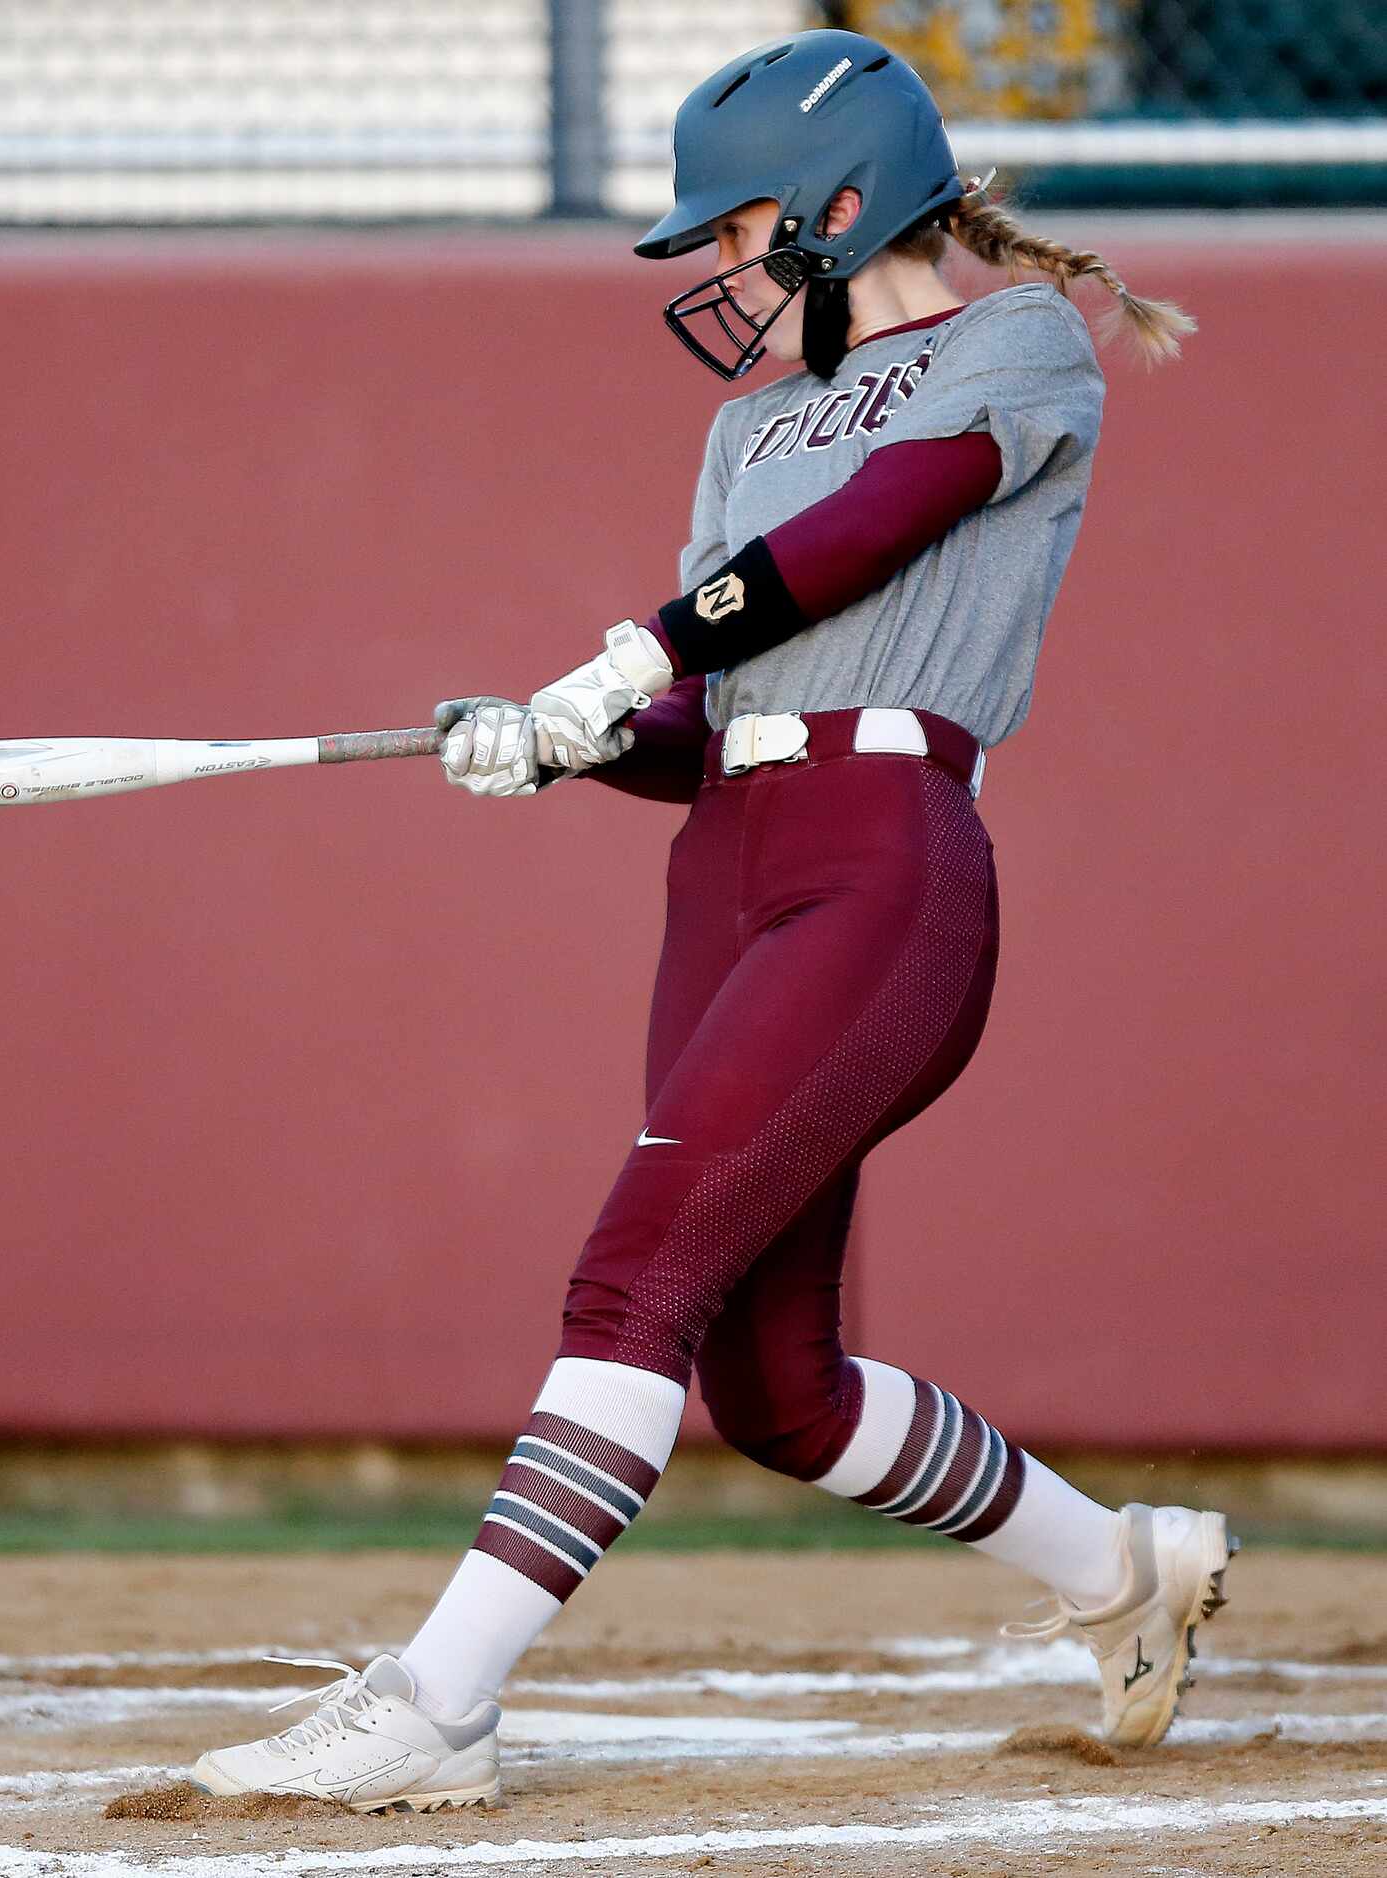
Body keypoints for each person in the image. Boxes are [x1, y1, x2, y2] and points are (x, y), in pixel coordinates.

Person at [190, 29, 1232, 1814]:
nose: (722, 272)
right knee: (774, 1382)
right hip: (734, 866)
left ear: (845, 204)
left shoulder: (1017, 345)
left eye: (741, 230)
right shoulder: (745, 425)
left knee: (635, 1271)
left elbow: (881, 521)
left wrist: (653, 642)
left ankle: (438, 1703)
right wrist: (571, 739)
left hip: (885, 863)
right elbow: (711, 720)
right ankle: (1122, 1572)